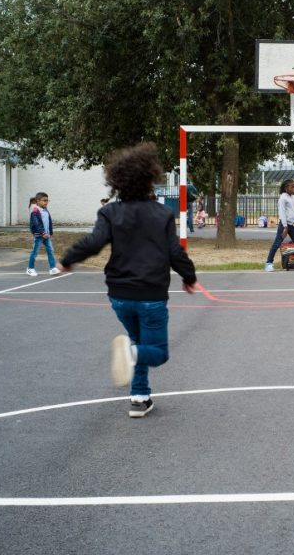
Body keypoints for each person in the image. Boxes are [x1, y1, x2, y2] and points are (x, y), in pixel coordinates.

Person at [58, 142, 197, 418]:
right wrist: (189, 277)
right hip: (151, 294)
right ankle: (132, 354)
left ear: (117, 182)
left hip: (120, 294)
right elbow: (174, 252)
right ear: (150, 180)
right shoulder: (162, 214)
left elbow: (94, 242)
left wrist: (68, 259)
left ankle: (139, 398)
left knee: (137, 338)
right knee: (155, 351)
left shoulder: (109, 212)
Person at [27, 192, 58, 276]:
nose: (46, 202)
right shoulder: (35, 211)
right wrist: (42, 232)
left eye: (47, 200)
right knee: (35, 252)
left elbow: (49, 221)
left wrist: (50, 232)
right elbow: (37, 223)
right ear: (38, 201)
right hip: (39, 235)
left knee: (50, 250)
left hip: (46, 235)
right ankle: (30, 268)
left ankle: (53, 268)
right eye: (44, 200)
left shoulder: (45, 209)